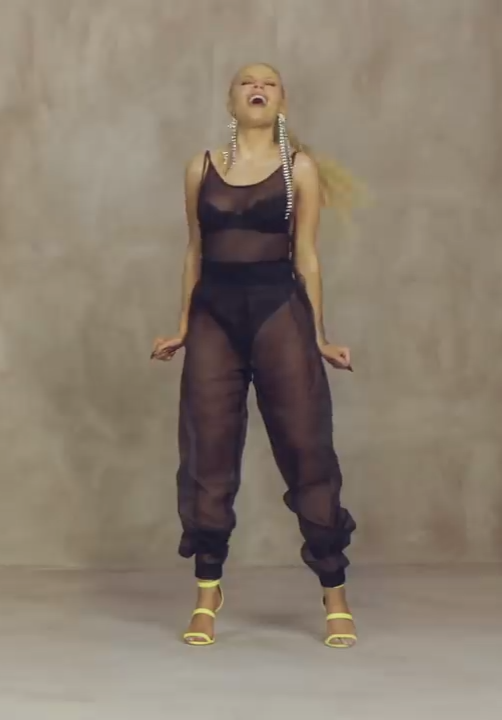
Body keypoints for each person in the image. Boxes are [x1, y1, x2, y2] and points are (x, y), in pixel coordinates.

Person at [150, 63, 363, 648]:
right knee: (208, 449)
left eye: (268, 81)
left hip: (278, 314)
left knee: (305, 445)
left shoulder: (300, 170)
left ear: (281, 101)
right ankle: (207, 592)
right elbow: (194, 251)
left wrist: (318, 335)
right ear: (232, 100)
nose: (258, 87)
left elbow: (307, 256)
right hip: (213, 317)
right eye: (247, 81)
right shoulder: (201, 168)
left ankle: (335, 592)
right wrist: (182, 326)